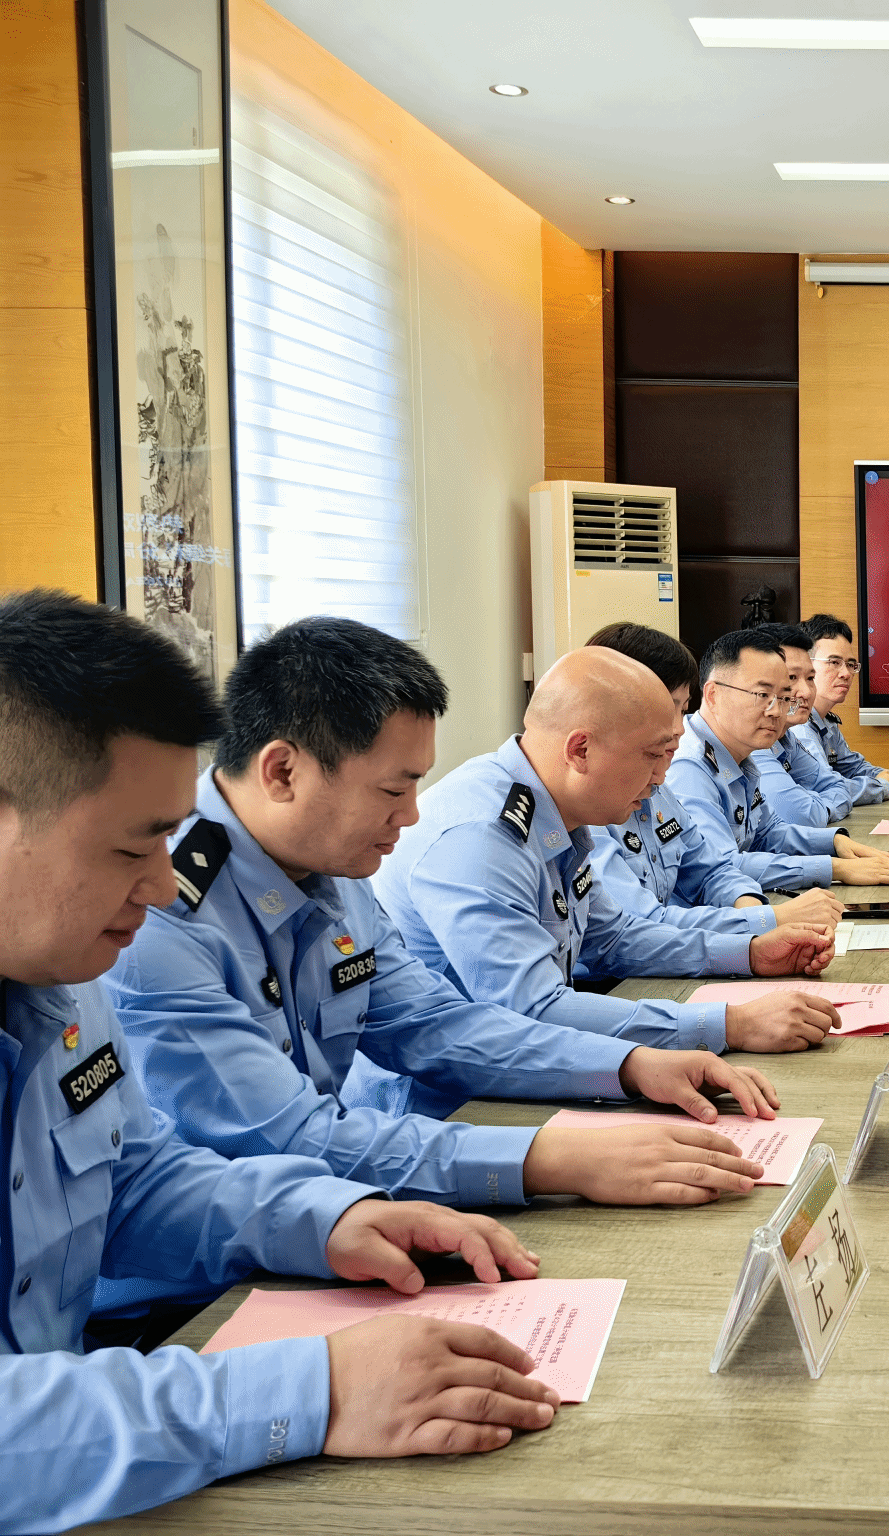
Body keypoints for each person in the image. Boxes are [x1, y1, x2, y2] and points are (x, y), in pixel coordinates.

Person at [0, 590, 558, 1529]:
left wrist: (330, 1219)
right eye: (134, 847)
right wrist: (313, 1391)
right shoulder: (111, 941)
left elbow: (134, 1183)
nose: (160, 884)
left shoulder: (57, 973)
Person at [105, 618, 785, 1273]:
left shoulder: (325, 864)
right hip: (206, 1285)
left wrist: (630, 1065)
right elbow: (286, 1138)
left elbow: (433, 1024)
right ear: (282, 772)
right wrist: (550, 1158)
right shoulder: (159, 912)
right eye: (394, 789)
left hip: (340, 1212)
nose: (410, 816)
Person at [375, 645, 843, 1054]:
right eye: (653, 755)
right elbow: (533, 1010)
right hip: (452, 1106)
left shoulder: (560, 809)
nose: (661, 776)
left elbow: (615, 937)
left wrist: (751, 952)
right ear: (580, 750)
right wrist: (728, 1024)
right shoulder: (481, 838)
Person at [582, 622, 840, 936]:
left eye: (682, 709)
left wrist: (757, 916)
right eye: (763, 695)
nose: (678, 728)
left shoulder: (658, 784)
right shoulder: (678, 769)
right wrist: (768, 920)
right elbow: (639, 926)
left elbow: (712, 870)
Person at [667, 629, 889, 891]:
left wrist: (834, 842)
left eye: (782, 698)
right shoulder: (689, 765)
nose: (776, 711)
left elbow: (768, 833)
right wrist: (834, 868)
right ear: (713, 695)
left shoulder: (741, 753)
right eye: (762, 695)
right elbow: (721, 866)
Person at [749, 621, 862, 826]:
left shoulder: (786, 738)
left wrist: (811, 802)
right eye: (791, 677)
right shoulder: (754, 741)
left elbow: (839, 789)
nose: (807, 692)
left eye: (810, 678)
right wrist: (813, 803)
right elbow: (800, 815)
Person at [798, 612, 889, 803]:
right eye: (834, 662)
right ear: (804, 664)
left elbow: (852, 767)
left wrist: (884, 775)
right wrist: (883, 786)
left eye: (850, 664)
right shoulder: (798, 725)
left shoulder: (826, 721)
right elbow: (826, 787)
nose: (846, 673)